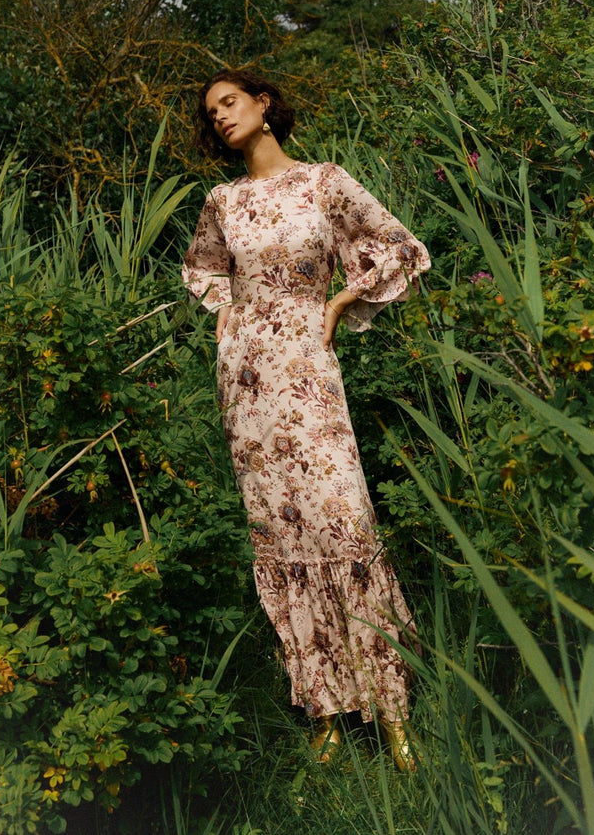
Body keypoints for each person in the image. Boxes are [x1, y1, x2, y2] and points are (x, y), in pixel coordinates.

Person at [182, 69, 430, 769]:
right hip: (248, 382)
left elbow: (401, 245)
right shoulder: (222, 200)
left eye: (230, 101)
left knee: (344, 518)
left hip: (309, 369)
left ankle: (390, 708)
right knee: (281, 534)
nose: (221, 115)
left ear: (263, 104)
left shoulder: (324, 182)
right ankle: (324, 709)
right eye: (211, 111)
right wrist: (226, 314)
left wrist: (343, 300)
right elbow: (203, 270)